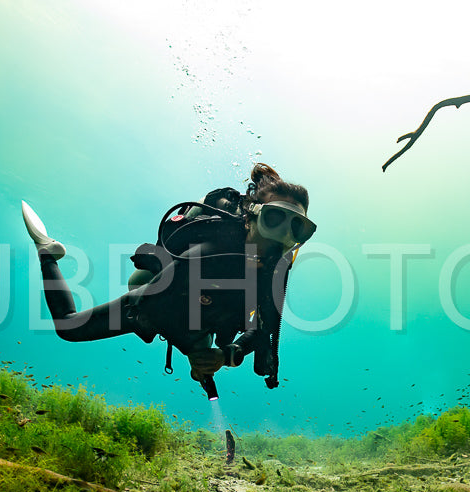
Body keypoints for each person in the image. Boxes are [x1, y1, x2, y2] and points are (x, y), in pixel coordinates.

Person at [22, 163, 315, 396]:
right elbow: (162, 306)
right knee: (68, 327)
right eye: (275, 218)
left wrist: (225, 356)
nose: (284, 234)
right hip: (158, 300)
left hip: (205, 318)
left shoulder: (272, 273)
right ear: (251, 216)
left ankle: (201, 347)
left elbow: (261, 329)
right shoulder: (210, 250)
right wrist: (198, 352)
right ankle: (47, 251)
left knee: (205, 341)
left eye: (298, 228)